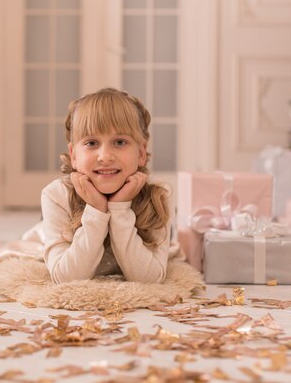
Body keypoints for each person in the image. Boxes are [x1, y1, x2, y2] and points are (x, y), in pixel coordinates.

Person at [29, 87, 184, 284]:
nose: (105, 157)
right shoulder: (56, 194)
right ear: (74, 155)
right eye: (92, 143)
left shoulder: (159, 198)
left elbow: (150, 279)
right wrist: (96, 210)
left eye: (120, 142)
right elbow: (65, 278)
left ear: (141, 153)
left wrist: (119, 210)